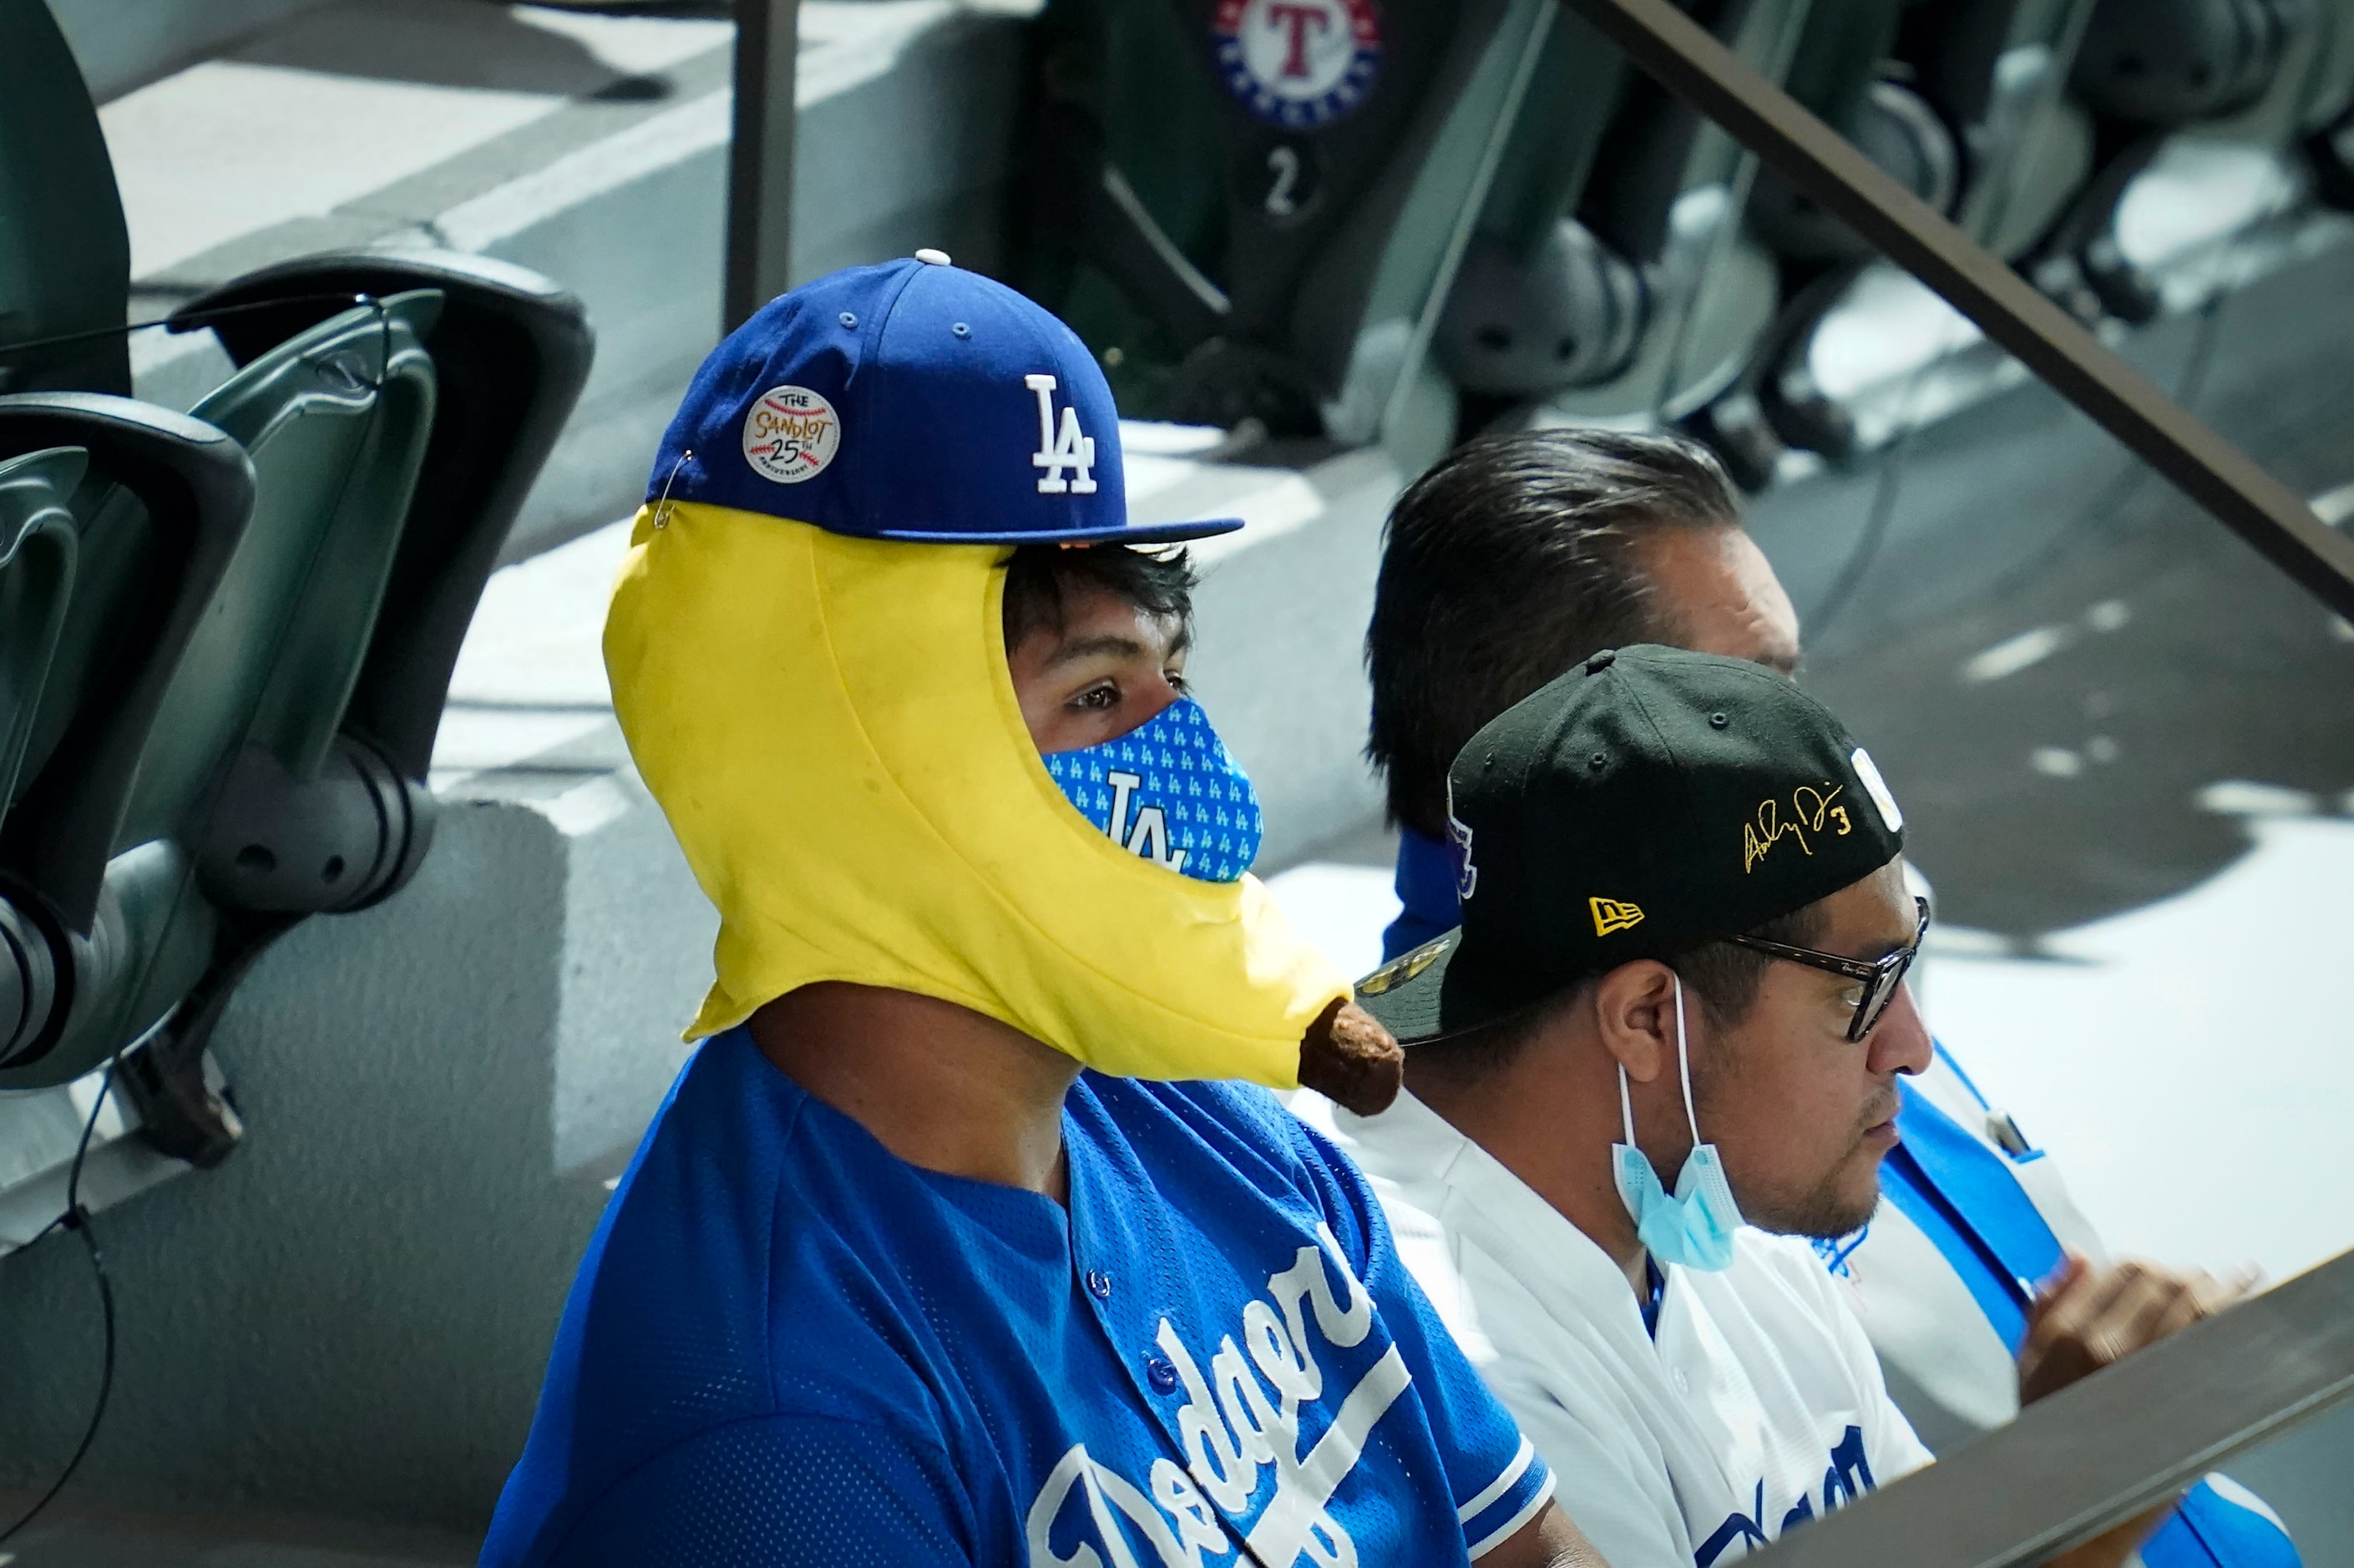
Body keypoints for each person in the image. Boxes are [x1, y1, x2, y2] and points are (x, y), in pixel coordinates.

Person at [479, 255, 1600, 1568]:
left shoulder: (1189, 1109)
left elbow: (1534, 1550)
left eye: (1169, 674)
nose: (1189, 760)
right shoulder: (770, 1426)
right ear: (865, 764)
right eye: (1096, 697)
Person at [1354, 427, 2297, 1566]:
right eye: (1740, 698)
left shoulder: (1703, 1161)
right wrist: (2080, 1487)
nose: (1917, 1045)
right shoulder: (1457, 1357)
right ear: (1648, 1015)